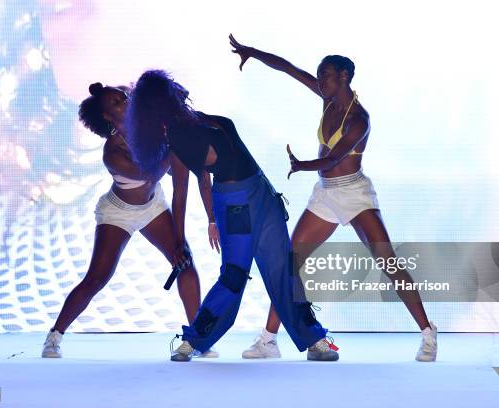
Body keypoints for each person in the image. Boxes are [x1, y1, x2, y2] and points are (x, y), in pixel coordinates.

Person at [229, 34, 437, 362]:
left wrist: (301, 165)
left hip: (354, 193)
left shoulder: (359, 119)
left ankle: (428, 333)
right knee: (289, 263)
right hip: (325, 195)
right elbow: (288, 69)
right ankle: (268, 340)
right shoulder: (326, 99)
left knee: (388, 262)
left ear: (343, 77)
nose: (318, 80)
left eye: (324, 75)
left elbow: (334, 159)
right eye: (319, 75)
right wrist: (252, 52)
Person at [125, 70, 339, 362]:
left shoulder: (197, 117)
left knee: (283, 270)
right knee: (234, 276)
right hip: (236, 204)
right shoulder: (176, 138)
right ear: (161, 100)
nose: (177, 86)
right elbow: (188, 187)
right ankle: (194, 340)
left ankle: (313, 338)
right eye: (169, 86)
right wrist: (208, 221)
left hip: (264, 194)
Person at [41, 83, 220, 358]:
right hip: (118, 211)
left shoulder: (150, 126)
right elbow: (152, 173)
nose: (125, 102)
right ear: (107, 118)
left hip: (153, 207)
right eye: (116, 103)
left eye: (124, 97)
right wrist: (170, 139)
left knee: (184, 261)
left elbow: (179, 95)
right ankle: (54, 335)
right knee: (97, 278)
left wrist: (164, 108)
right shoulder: (113, 152)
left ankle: (198, 339)